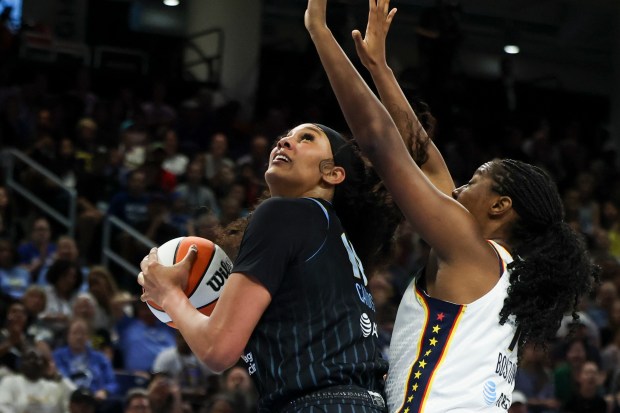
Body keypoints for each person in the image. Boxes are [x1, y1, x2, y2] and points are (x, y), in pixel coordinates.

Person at [304, 0, 597, 412]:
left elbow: (376, 138)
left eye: (473, 181)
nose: (458, 187)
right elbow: (423, 159)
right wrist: (379, 69)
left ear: (500, 206)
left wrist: (319, 29)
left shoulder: (472, 255)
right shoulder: (501, 274)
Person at [139, 33, 406, 413]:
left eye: (305, 138)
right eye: (283, 137)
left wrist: (169, 296)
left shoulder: (285, 212)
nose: (283, 142)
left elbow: (217, 350)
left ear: (333, 174)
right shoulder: (332, 238)